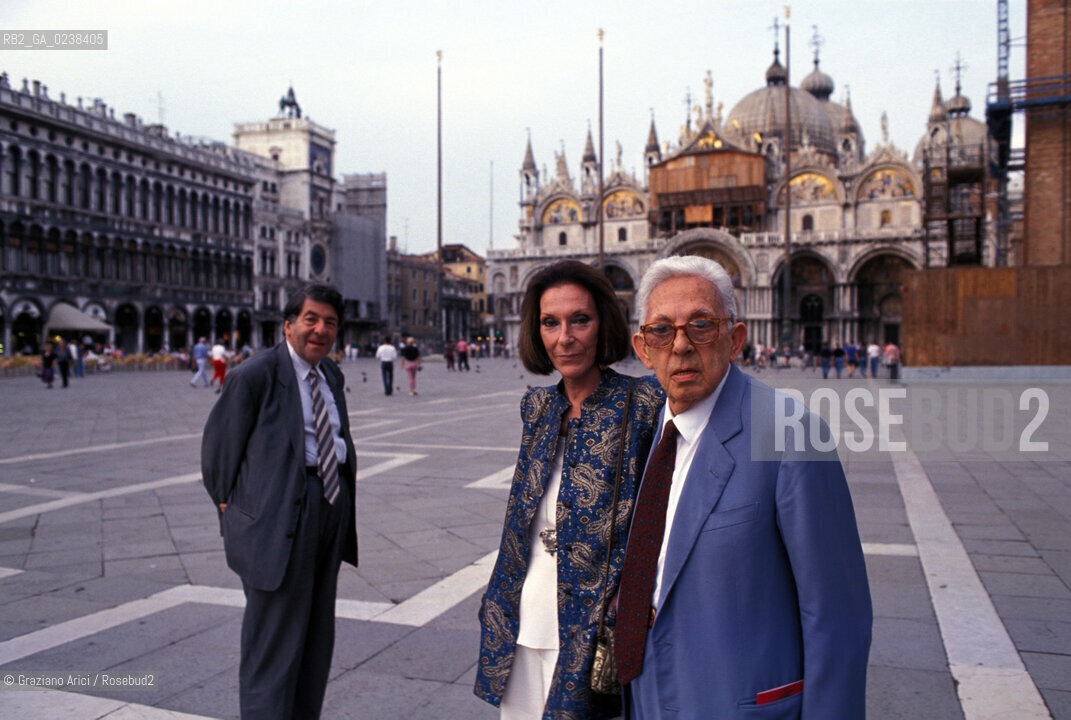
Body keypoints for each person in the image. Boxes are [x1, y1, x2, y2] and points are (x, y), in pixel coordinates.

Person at [618, 256, 871, 718]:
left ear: (735, 339)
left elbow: (837, 618)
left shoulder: (792, 433)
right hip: (646, 698)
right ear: (642, 348)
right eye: (661, 331)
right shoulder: (648, 432)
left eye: (701, 325)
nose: (680, 346)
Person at [476, 260, 663, 720]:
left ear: (604, 323)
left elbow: (662, 517)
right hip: (519, 621)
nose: (565, 337)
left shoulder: (643, 404)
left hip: (594, 631)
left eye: (580, 319)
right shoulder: (537, 408)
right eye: (550, 323)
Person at [201, 284, 357, 720]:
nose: (320, 330)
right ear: (288, 324)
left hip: (328, 507)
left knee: (314, 634)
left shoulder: (331, 375)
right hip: (279, 514)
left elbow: (335, 439)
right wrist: (234, 514)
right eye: (311, 319)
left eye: (329, 322)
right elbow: (217, 456)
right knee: (272, 640)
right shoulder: (255, 374)